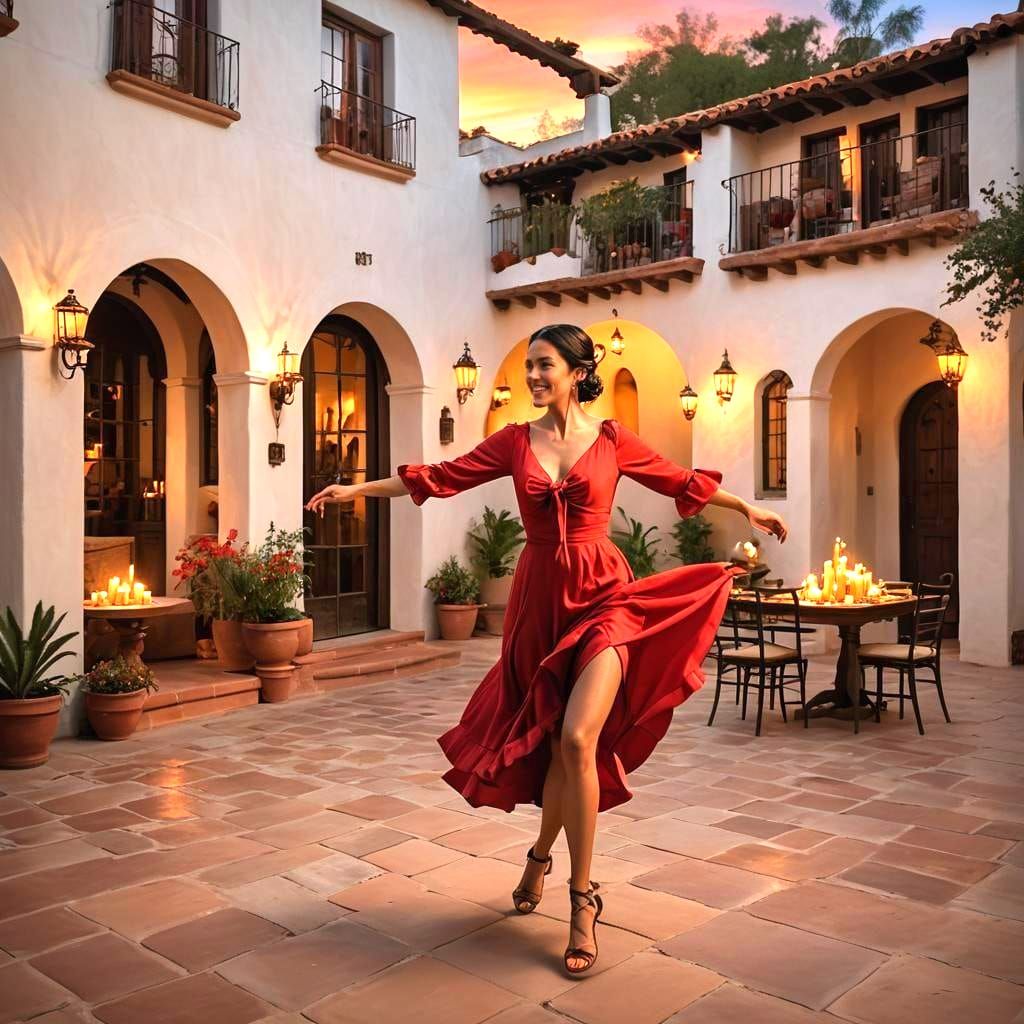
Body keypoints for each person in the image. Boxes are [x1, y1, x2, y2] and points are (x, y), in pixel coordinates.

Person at [307, 324, 788, 977]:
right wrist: (354, 492)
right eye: (530, 365)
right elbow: (439, 479)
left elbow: (680, 483)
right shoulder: (513, 441)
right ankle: (539, 853)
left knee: (578, 741)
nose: (533, 376)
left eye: (544, 365)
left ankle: (582, 900)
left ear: (577, 368)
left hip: (605, 599)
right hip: (538, 607)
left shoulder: (614, 441)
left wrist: (748, 509)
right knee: (553, 742)